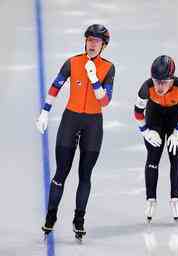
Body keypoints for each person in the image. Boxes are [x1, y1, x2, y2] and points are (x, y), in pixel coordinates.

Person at [36, 24, 115, 239]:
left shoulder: (108, 68)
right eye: (89, 40)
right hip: (70, 120)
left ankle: (79, 219)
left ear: (103, 46)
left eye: (96, 41)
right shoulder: (72, 62)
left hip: (93, 124)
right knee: (61, 172)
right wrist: (45, 111)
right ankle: (51, 216)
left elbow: (105, 101)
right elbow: (55, 86)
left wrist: (95, 80)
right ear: (85, 41)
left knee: (85, 175)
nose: (92, 44)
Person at [134, 55, 178, 223]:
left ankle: (175, 199)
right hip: (155, 118)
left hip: (176, 118)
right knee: (153, 156)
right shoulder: (146, 88)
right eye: (156, 81)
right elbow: (138, 113)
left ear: (171, 79)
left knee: (176, 156)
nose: (159, 86)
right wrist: (145, 132)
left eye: (164, 82)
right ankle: (150, 199)